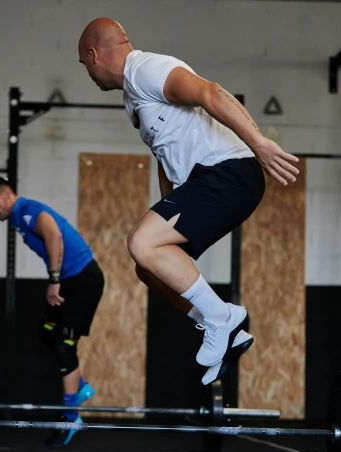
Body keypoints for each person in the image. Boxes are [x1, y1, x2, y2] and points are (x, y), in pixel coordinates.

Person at [77, 18, 300, 385]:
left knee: (140, 242)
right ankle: (226, 333)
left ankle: (222, 318)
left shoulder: (147, 69)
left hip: (230, 172)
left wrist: (259, 144)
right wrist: (168, 206)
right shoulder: (132, 98)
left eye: (85, 65)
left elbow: (211, 93)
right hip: (205, 181)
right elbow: (165, 156)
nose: (87, 72)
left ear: (93, 54)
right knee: (148, 268)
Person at [0, 176, 104, 448]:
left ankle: (70, 419)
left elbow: (54, 234)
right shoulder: (16, 217)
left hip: (81, 279)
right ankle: (79, 385)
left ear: (6, 193)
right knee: (47, 331)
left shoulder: (25, 210)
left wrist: (54, 279)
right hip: (71, 280)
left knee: (64, 344)